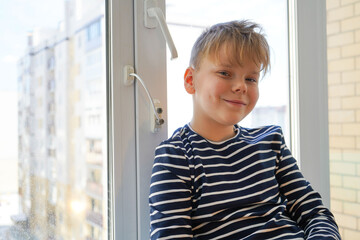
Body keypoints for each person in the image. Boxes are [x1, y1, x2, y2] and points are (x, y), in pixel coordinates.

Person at [149, 20, 340, 240]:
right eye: (225, 73)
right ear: (191, 80)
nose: (241, 86)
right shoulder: (175, 158)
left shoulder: (271, 142)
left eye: (251, 78)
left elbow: (314, 212)